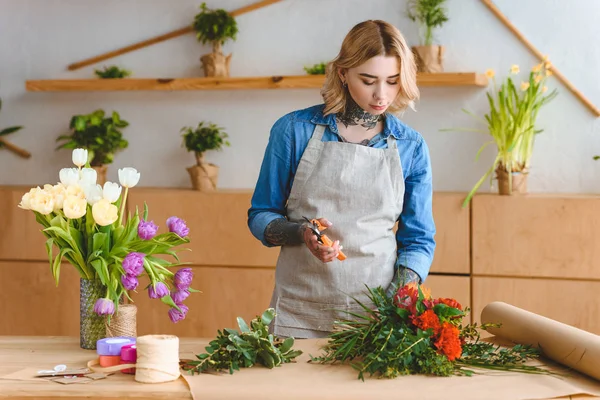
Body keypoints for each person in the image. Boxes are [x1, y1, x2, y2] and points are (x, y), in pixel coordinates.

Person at [247, 20, 435, 339]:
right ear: (342, 73)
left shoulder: (410, 146)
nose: (381, 94)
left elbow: (418, 239)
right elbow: (261, 215)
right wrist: (301, 232)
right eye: (368, 80)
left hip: (377, 313)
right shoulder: (293, 131)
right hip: (300, 311)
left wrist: (396, 299)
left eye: (392, 81)